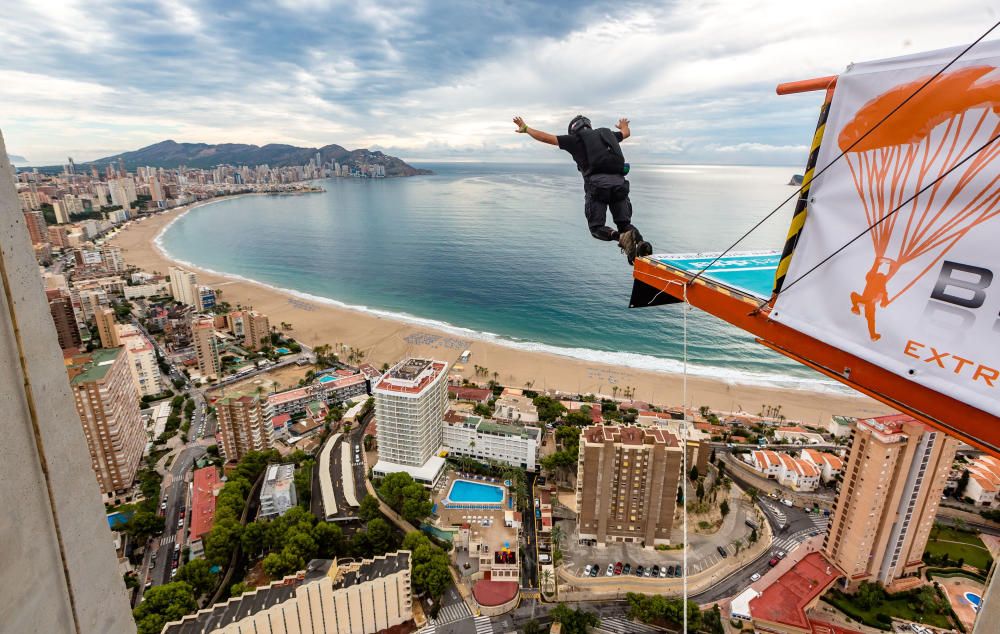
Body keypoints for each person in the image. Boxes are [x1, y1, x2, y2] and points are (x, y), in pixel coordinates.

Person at [513, 114, 652, 264]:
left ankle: (620, 238)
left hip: (598, 187)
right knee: (625, 224)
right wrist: (623, 124)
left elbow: (546, 138)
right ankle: (641, 244)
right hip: (620, 184)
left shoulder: (575, 139)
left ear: (573, 129)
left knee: (597, 227)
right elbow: (626, 133)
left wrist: (526, 128)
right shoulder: (609, 135)